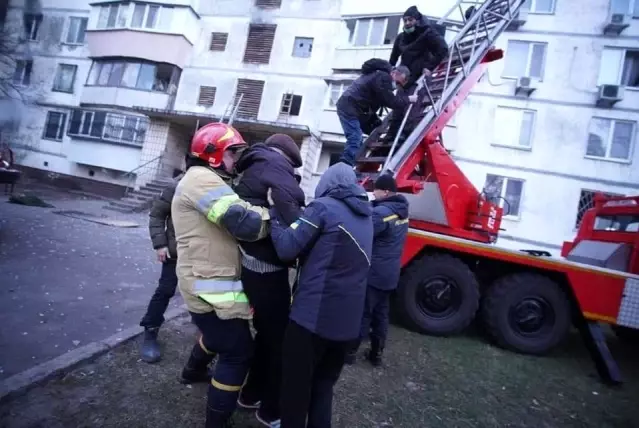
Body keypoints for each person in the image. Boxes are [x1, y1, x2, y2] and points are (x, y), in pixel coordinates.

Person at [172, 122, 271, 428]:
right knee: (238, 350)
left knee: (217, 336)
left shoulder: (204, 179)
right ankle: (216, 422)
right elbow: (245, 224)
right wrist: (274, 217)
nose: (236, 159)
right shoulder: (202, 180)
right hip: (210, 283)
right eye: (233, 153)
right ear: (214, 155)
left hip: (205, 279)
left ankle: (192, 371)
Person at [269, 162, 373, 428]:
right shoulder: (366, 216)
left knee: (295, 391)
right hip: (346, 326)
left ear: (327, 185)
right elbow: (332, 251)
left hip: (311, 321)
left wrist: (275, 214)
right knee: (323, 387)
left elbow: (286, 248)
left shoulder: (323, 207)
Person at [233, 134, 306, 427]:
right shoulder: (275, 167)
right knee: (279, 342)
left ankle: (250, 394)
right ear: (287, 157)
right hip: (267, 269)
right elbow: (293, 215)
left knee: (265, 333)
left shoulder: (254, 164)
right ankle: (270, 410)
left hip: (251, 262)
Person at [345, 174, 409, 367]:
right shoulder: (402, 212)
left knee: (363, 312)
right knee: (381, 314)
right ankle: (376, 354)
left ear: (386, 191)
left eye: (376, 189)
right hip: (390, 274)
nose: (373, 192)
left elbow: (364, 232)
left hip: (374, 273)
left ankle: (350, 352)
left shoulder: (381, 214)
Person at [384, 5, 449, 143]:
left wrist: (430, 67)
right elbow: (393, 57)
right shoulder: (401, 38)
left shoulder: (427, 33)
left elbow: (443, 49)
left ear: (417, 20)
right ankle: (392, 134)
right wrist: (389, 73)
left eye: (410, 20)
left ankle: (404, 137)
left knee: (412, 108)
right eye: (405, 20)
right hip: (404, 77)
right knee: (399, 105)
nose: (407, 23)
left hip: (419, 76)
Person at [139, 166, 184, 364]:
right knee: (165, 290)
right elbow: (157, 215)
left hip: (202, 254)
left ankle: (206, 343)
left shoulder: (218, 185)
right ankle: (150, 332)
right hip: (175, 253)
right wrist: (160, 245)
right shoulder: (177, 186)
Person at [336, 59, 417, 166]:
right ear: (395, 73)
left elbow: (379, 98)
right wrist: (409, 99)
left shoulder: (378, 74)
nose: (396, 86)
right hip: (350, 106)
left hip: (355, 106)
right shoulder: (383, 77)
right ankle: (344, 166)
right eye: (397, 82)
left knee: (371, 128)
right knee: (355, 138)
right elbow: (390, 101)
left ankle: (351, 160)